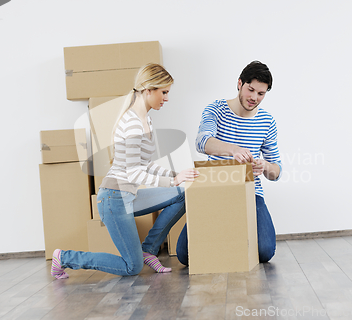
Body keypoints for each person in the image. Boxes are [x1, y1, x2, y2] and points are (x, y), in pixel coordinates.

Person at [51, 63, 199, 278]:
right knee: (132, 267)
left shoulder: (145, 119)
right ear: (148, 90)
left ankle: (149, 249)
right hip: (114, 199)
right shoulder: (132, 123)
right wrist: (173, 180)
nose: (166, 98)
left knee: (183, 195)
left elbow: (145, 164)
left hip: (129, 195)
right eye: (163, 92)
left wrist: (175, 175)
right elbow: (133, 174)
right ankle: (64, 257)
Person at [176, 60, 281, 265]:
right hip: (215, 188)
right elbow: (202, 141)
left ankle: (230, 237)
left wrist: (265, 166)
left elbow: (276, 171)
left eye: (261, 94)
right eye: (251, 90)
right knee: (184, 255)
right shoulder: (215, 109)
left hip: (251, 193)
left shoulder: (267, 121)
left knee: (266, 251)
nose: (254, 98)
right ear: (239, 83)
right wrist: (233, 150)